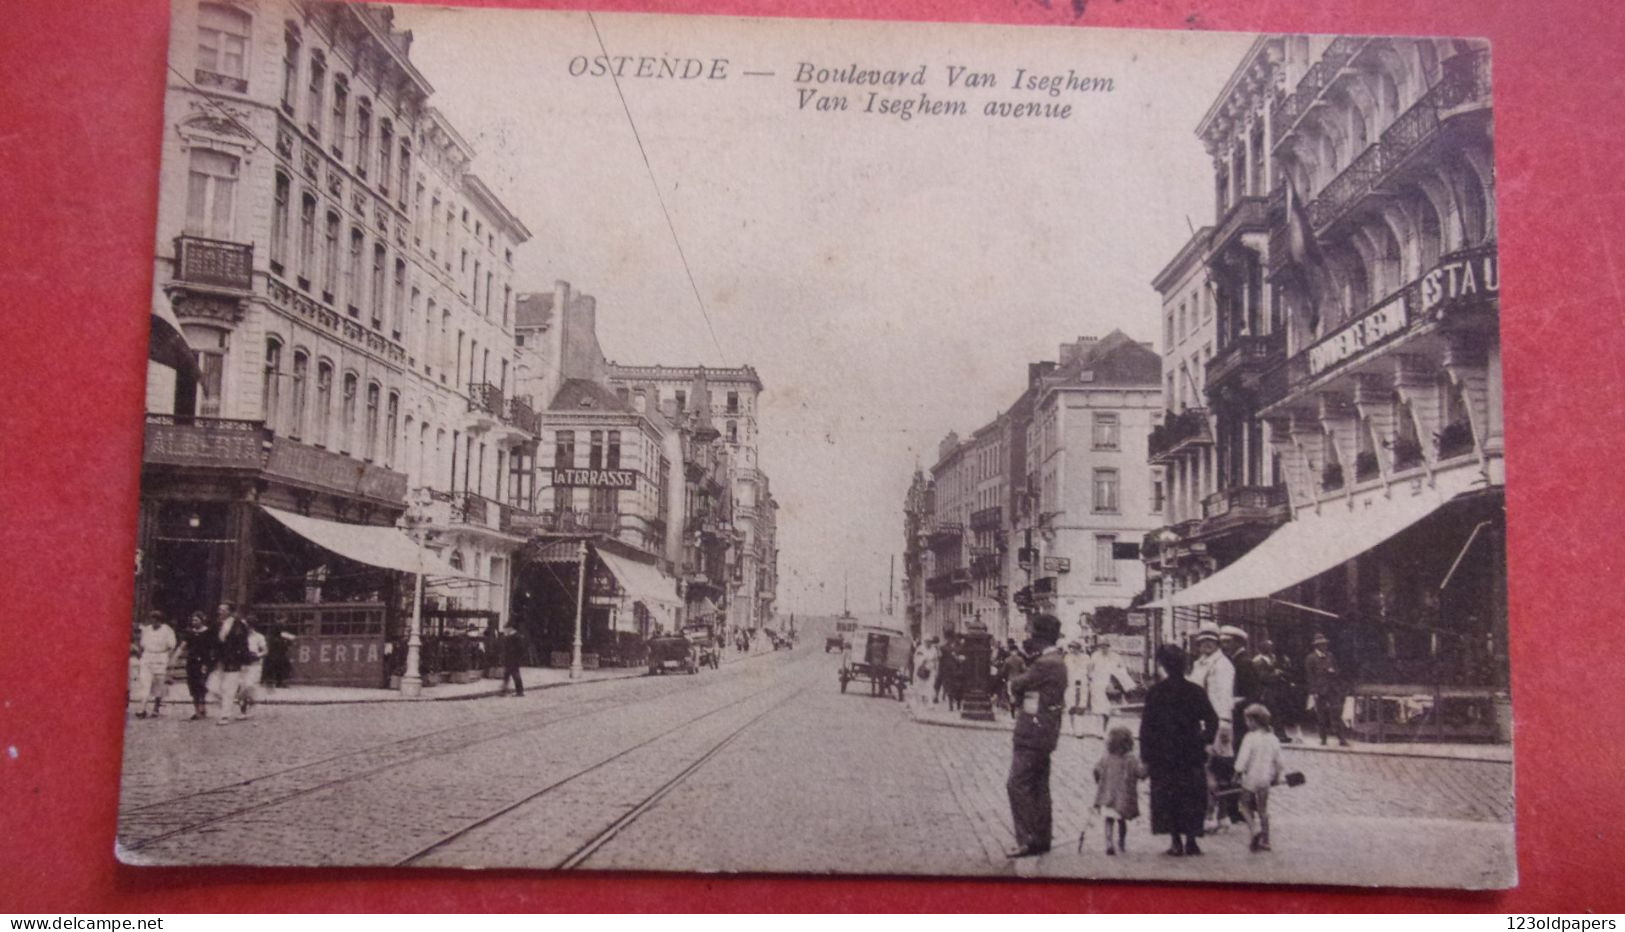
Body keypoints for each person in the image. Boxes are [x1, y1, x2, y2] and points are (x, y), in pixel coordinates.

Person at [1141, 643, 1219, 857]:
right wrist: (1204, 740)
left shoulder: (1155, 693)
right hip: (1190, 752)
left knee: (1169, 796)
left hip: (1163, 754)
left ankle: (1175, 840)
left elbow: (1146, 728)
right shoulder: (1195, 691)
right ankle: (1192, 841)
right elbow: (1212, 719)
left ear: (1163, 666)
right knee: (1192, 795)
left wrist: (1146, 757)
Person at [1005, 613, 1069, 859]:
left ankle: (1026, 839)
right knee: (1040, 786)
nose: (1029, 637)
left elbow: (1018, 684)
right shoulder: (1056, 660)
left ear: (1039, 636)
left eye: (1031, 633)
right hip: (1046, 732)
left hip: (1032, 732)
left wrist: (1016, 680)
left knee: (1017, 784)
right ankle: (1042, 837)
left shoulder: (1045, 663)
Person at [1234, 703, 1285, 851]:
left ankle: (1254, 828)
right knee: (1263, 809)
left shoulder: (1250, 737)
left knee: (1243, 805)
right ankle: (1266, 840)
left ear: (1254, 721)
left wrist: (1237, 773)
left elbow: (1242, 759)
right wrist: (1276, 775)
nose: (1247, 724)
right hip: (1265, 779)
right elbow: (1279, 761)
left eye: (1248, 721)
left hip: (1251, 777)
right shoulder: (1273, 738)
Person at [1091, 725, 1147, 856]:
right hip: (1123, 800)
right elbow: (1140, 773)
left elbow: (1096, 770)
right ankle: (1121, 842)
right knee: (1122, 822)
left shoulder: (1106, 758)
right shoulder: (1131, 759)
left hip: (1108, 797)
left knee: (1108, 820)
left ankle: (1109, 843)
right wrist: (1147, 768)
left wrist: (1098, 779)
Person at [1304, 633, 1350, 746]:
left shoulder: (1330, 656)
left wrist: (1333, 671)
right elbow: (1310, 676)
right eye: (1321, 644)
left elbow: (1337, 670)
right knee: (1321, 715)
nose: (1324, 646)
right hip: (1320, 690)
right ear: (1317, 646)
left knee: (1336, 714)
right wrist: (1313, 691)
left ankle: (1341, 739)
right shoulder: (1311, 658)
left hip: (1332, 689)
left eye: (1325, 644)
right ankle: (1323, 738)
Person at [132, 611, 178, 719]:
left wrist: (168, 659)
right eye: (152, 619)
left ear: (160, 620)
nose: (153, 621)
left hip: (160, 658)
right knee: (145, 684)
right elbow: (142, 644)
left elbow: (171, 646)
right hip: (147, 658)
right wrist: (141, 655)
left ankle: (156, 708)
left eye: (156, 619)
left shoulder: (167, 630)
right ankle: (142, 709)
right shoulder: (147, 629)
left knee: (159, 685)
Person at [213, 602, 252, 725]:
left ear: (229, 611)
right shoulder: (217, 624)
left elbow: (243, 644)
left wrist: (243, 661)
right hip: (220, 661)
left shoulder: (238, 625)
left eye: (223, 610)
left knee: (228, 688)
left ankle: (225, 714)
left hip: (233, 661)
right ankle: (240, 701)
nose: (220, 612)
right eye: (219, 609)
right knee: (214, 687)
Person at [1086, 641, 1132, 735]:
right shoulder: (1095, 655)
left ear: (1108, 647)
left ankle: (1109, 730)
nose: (1103, 649)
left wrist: (1122, 683)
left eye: (1105, 646)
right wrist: (1090, 676)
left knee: (1110, 709)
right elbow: (1090, 668)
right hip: (1097, 684)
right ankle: (1099, 730)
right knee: (1099, 709)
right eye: (1101, 647)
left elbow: (1122, 670)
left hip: (1110, 684)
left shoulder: (1115, 656)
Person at [1252, 639, 1293, 742]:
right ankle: (1277, 735)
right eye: (1268, 646)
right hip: (1265, 691)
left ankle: (1280, 734)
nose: (1271, 648)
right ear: (1263, 648)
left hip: (1275, 690)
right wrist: (1276, 674)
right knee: (1272, 713)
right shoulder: (1258, 661)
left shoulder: (1272, 658)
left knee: (1277, 712)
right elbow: (1262, 677)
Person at [180, 611, 215, 720]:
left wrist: (208, 662)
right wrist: (175, 656)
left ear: (202, 620)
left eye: (196, 620)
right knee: (193, 686)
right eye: (193, 620)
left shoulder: (208, 632)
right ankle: (196, 710)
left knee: (202, 685)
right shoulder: (189, 633)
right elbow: (183, 645)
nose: (194, 622)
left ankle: (202, 707)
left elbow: (212, 647)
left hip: (204, 661)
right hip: (192, 662)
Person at [238, 621, 268, 717]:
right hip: (242, 664)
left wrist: (257, 655)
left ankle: (251, 703)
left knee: (249, 685)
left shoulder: (259, 637)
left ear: (251, 626)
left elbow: (265, 650)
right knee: (241, 689)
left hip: (255, 665)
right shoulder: (240, 637)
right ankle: (242, 711)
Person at [499, 623, 526, 697]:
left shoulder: (516, 636)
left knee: (515, 675)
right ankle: (504, 691)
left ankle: (519, 691)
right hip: (509, 659)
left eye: (505, 629)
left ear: (510, 628)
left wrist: (518, 658)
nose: (505, 630)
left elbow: (521, 649)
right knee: (507, 675)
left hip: (513, 659)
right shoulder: (512, 636)